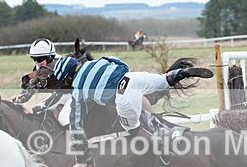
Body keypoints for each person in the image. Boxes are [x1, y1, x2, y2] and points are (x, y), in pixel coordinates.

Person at [51, 55, 212, 157]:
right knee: (163, 80)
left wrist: (77, 139)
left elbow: (76, 118)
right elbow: (117, 61)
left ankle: (162, 147)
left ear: (67, 78)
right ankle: (181, 73)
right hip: (132, 78)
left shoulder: (78, 90)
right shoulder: (96, 62)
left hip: (123, 98)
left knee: (133, 129)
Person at [12, 38, 72, 122]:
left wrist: (34, 109)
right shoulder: (40, 67)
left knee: (63, 119)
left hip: (74, 94)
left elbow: (60, 94)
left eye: (40, 59)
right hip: (61, 95)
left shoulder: (61, 67)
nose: (37, 62)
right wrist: (21, 98)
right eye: (34, 59)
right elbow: (33, 86)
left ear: (49, 57)